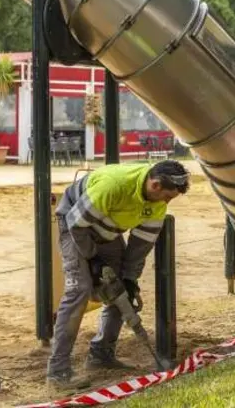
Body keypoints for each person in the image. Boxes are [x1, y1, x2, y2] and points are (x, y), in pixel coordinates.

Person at [47, 159, 191, 390]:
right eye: (167, 197)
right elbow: (77, 223)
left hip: (108, 231)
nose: (167, 202)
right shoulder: (113, 185)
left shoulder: (157, 205)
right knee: (79, 290)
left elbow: (139, 247)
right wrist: (93, 259)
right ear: (155, 185)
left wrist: (129, 279)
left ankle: (101, 354)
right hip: (74, 223)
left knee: (120, 288)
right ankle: (58, 371)